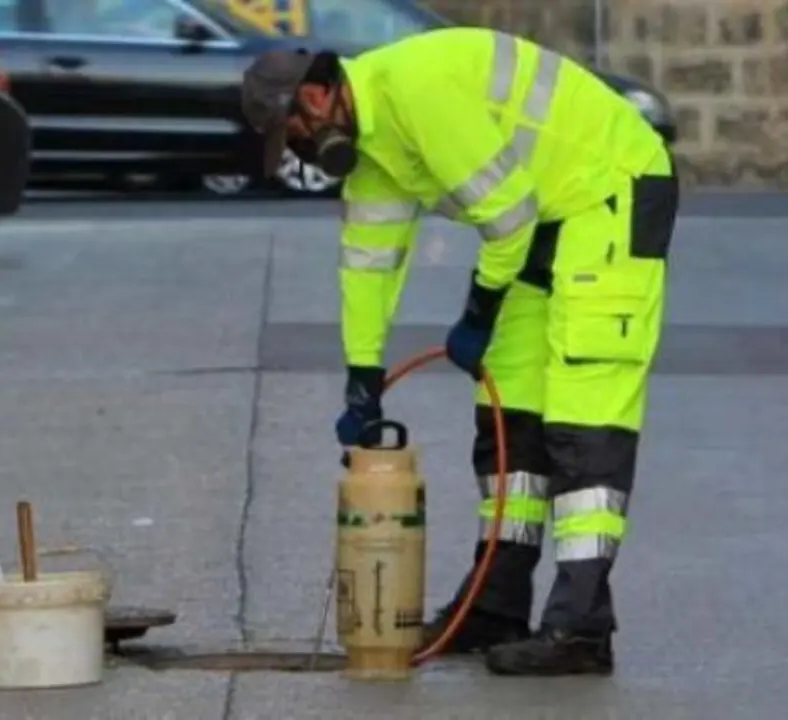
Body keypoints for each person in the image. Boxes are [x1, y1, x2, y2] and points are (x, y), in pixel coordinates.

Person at [240, 27, 678, 676]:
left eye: (296, 132)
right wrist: (363, 378)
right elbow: (368, 266)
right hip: (546, 216)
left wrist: (477, 312)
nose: (303, 147)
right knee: (511, 414)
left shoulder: (417, 90)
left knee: (585, 414)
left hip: (608, 188)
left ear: (315, 95)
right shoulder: (374, 147)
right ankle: (495, 604)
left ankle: (581, 628)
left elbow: (506, 217)